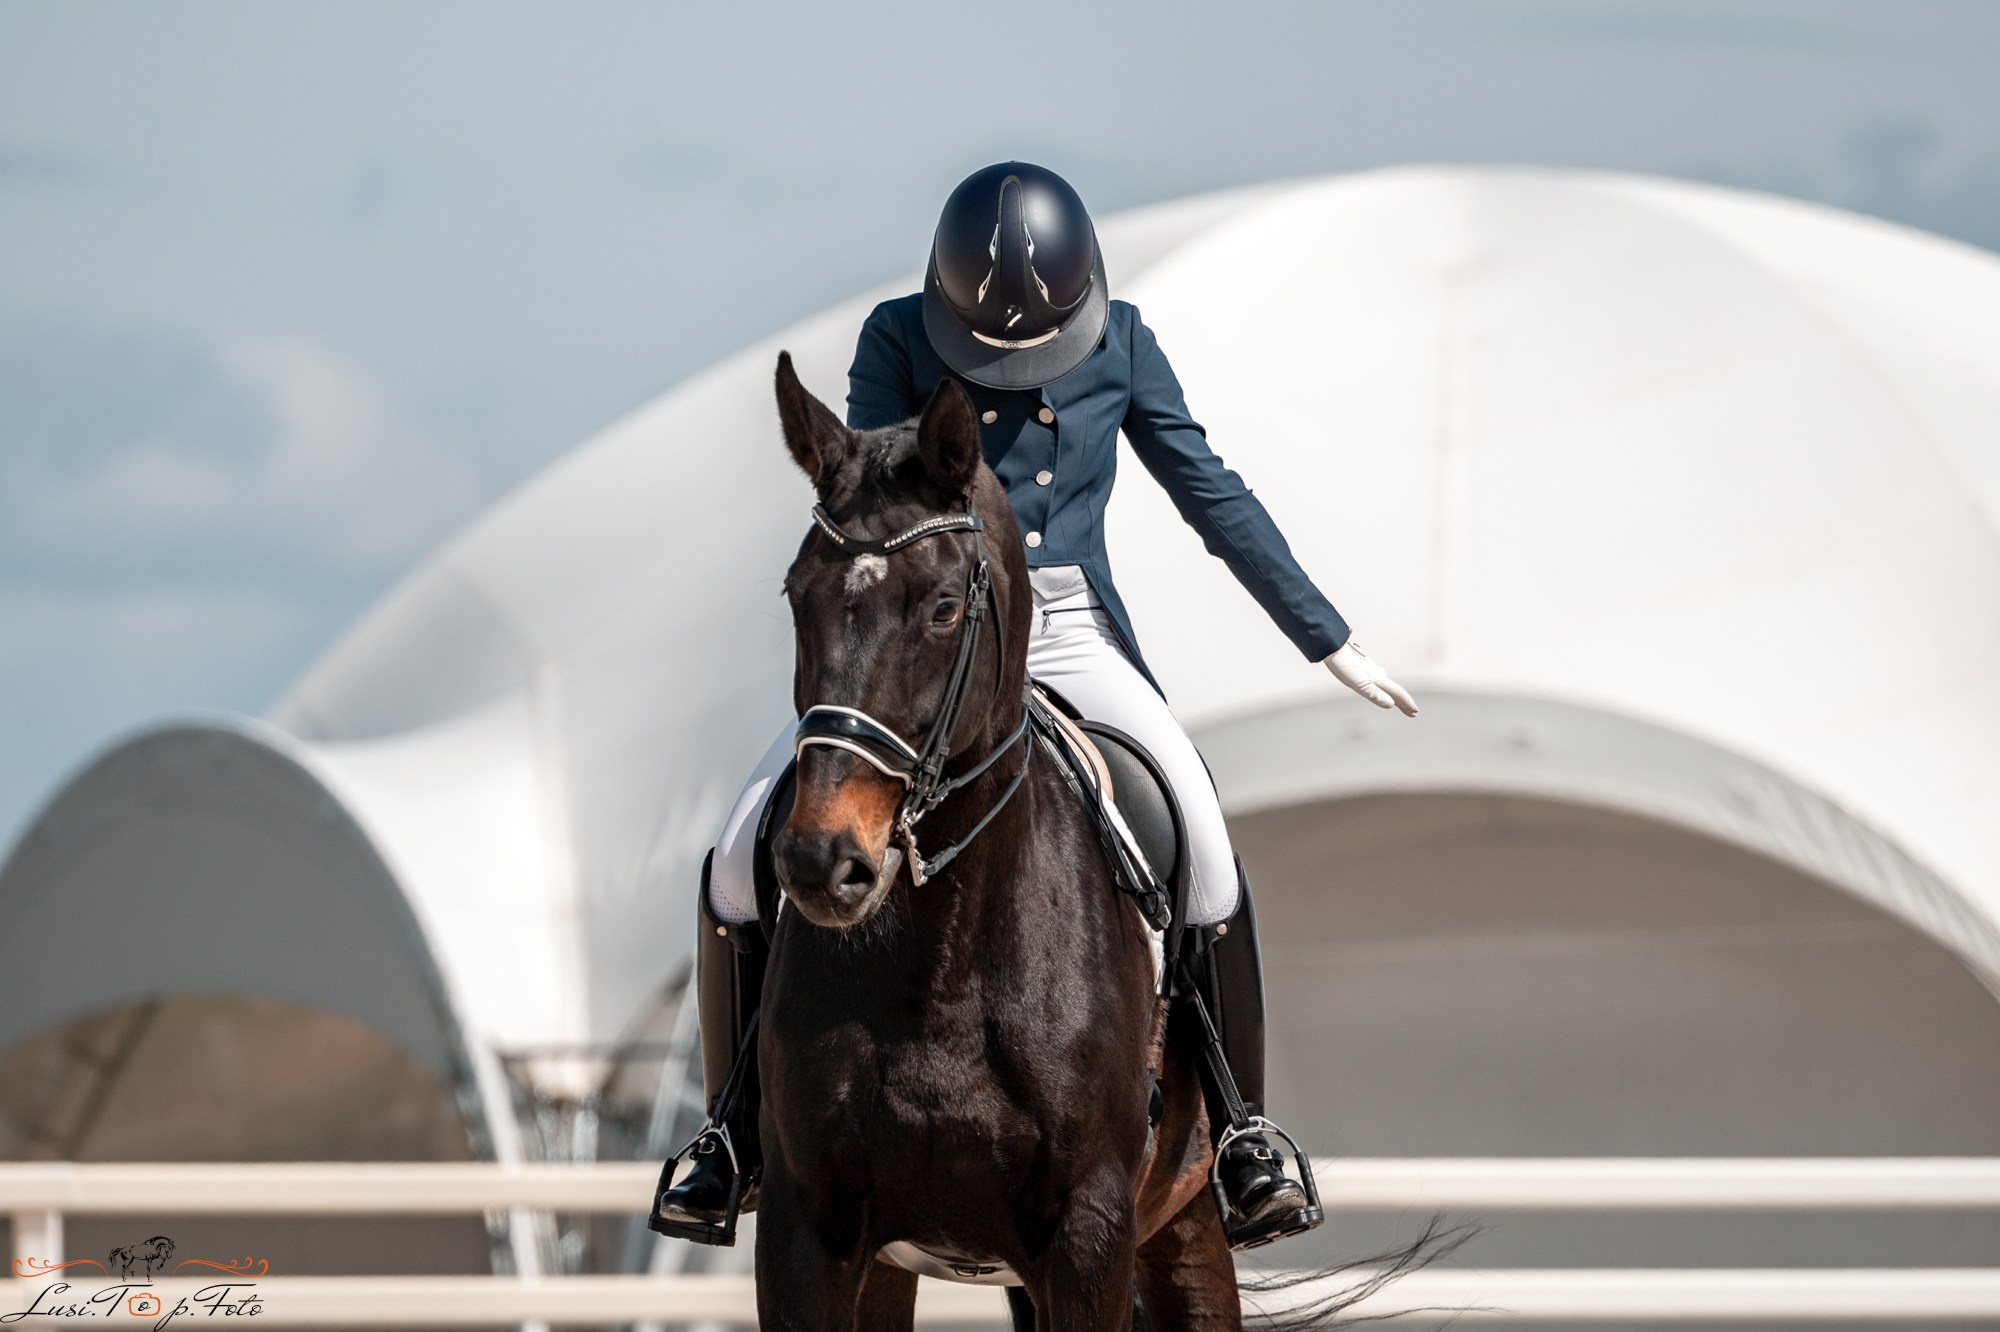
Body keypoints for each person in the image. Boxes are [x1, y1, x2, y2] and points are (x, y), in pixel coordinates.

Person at [653, 162, 1418, 1249]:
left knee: (1202, 849)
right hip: (925, 625)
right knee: (738, 855)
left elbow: (1206, 490)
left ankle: (1242, 1135)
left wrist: (1323, 634)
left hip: (1062, 626)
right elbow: (870, 495)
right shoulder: (894, 336)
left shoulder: (1123, 344)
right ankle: (731, 1133)